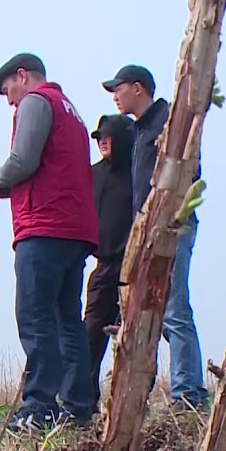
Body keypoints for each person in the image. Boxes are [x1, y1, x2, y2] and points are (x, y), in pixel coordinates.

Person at [0, 53, 100, 431]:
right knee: (67, 319)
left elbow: (22, 161)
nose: (10, 100)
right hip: (74, 228)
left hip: (43, 227)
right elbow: (46, 169)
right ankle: (77, 405)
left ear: (23, 76)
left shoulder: (36, 101)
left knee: (35, 316)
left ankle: (38, 406)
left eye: (8, 90)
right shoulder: (69, 111)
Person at [102, 64, 207, 409]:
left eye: (118, 89)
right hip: (146, 233)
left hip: (172, 227)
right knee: (147, 313)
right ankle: (142, 397)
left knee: (175, 310)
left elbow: (189, 168)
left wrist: (169, 218)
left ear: (138, 87)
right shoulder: (139, 130)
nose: (115, 96)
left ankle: (188, 395)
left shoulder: (167, 120)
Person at [83, 114, 135, 399]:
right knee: (91, 332)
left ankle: (130, 398)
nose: (102, 141)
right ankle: (85, 397)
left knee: (133, 336)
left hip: (133, 268)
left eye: (108, 136)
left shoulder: (137, 173)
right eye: (99, 137)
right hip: (103, 266)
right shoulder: (91, 173)